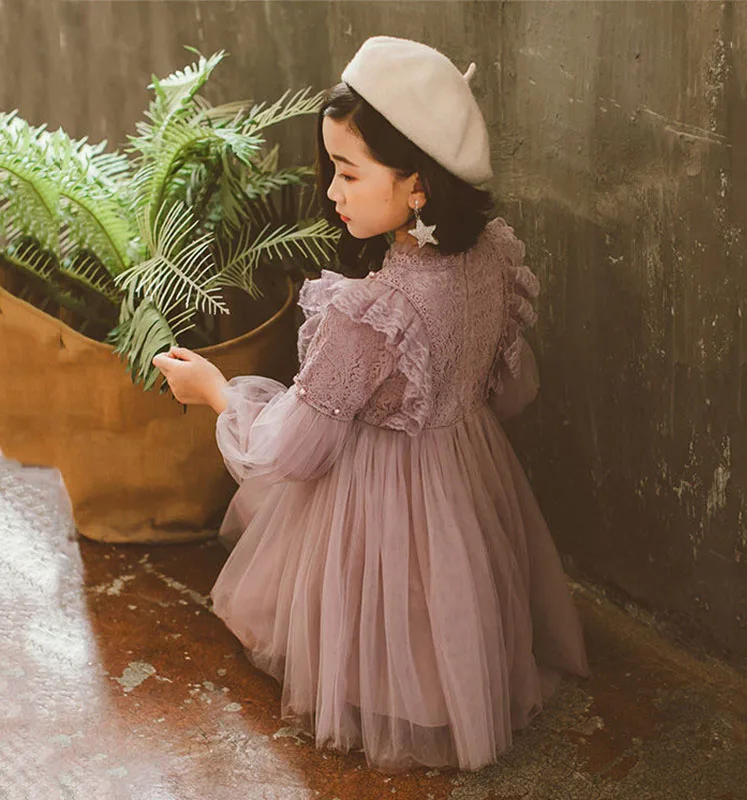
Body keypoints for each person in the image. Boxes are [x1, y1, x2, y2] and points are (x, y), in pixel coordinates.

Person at [152, 35, 591, 774]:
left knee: (384, 596)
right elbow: (513, 390)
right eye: (332, 170)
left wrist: (216, 392)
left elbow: (293, 452)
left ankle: (388, 695)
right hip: (466, 478)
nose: (331, 192)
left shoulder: (370, 314)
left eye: (348, 173)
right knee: (445, 592)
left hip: (377, 498)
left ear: (417, 183)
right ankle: (452, 686)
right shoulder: (489, 259)